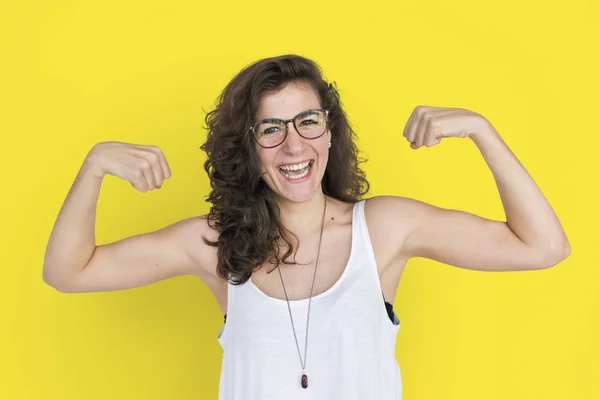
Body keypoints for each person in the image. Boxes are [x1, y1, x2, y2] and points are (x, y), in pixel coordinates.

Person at [43, 54, 570, 400]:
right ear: (247, 148)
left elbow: (543, 246)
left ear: (329, 131)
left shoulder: (383, 230)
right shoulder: (217, 243)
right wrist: (93, 167)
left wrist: (483, 131)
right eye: (270, 129)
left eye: (307, 122)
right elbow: (68, 272)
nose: (294, 147)